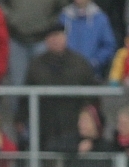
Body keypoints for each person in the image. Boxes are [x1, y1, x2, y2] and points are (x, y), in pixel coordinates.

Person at [19, 22, 97, 150]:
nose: (55, 40)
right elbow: (26, 94)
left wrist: (88, 120)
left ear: (65, 37)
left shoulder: (80, 63)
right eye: (51, 37)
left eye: (58, 36)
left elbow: (93, 95)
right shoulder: (36, 65)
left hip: (73, 124)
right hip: (45, 124)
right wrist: (20, 118)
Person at [60, 0, 116, 79]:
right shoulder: (64, 17)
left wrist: (95, 62)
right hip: (66, 73)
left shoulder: (100, 18)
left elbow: (108, 45)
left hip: (92, 74)